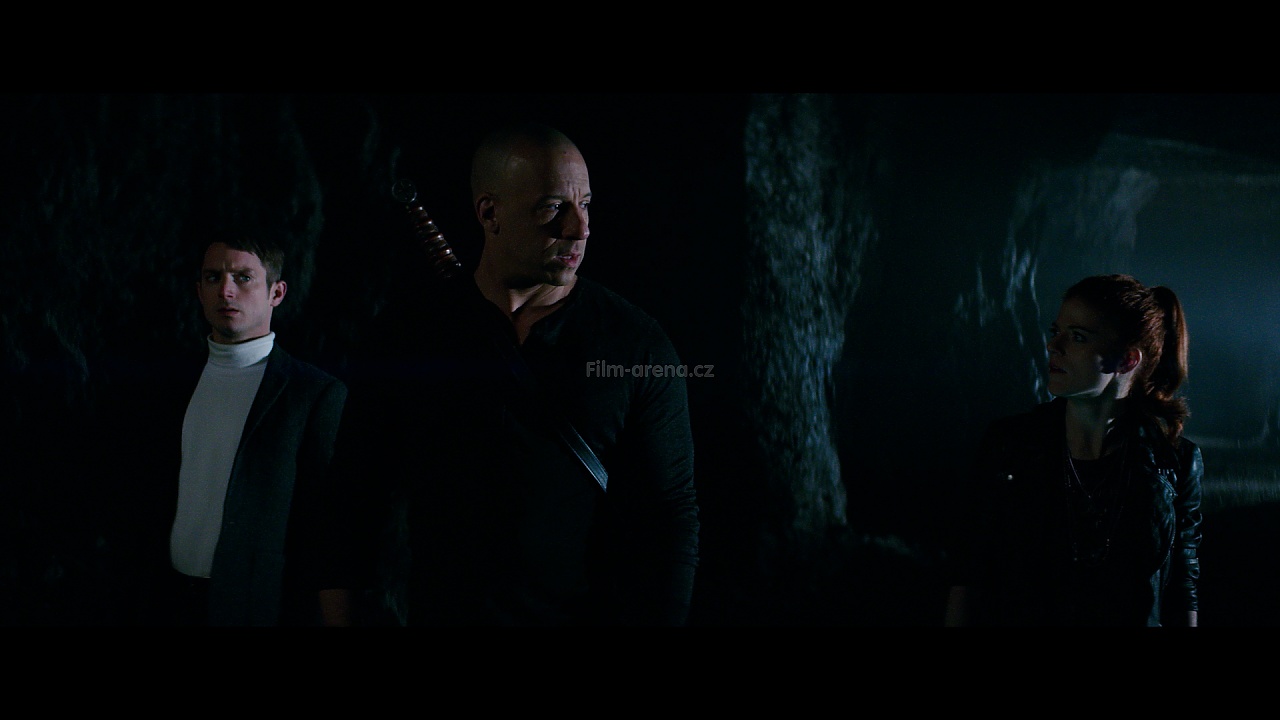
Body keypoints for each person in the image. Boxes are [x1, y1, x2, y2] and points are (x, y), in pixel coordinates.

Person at [337, 122, 700, 626]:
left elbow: (670, 517)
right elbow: (353, 495)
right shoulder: (409, 334)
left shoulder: (635, 344)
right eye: (553, 208)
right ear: (490, 213)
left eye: (586, 204)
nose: (580, 229)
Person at [944, 273, 1203, 627]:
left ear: (1127, 360)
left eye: (1078, 336)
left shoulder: (1174, 461)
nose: (1054, 345)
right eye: (1056, 331)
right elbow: (969, 568)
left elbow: (1182, 584)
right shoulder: (1011, 444)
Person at [134, 232, 353, 626]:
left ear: (276, 293)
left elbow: (327, 527)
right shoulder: (168, 385)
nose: (226, 291)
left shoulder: (313, 394)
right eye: (213, 278)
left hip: (258, 607)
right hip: (167, 601)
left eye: (243, 277)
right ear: (199, 291)